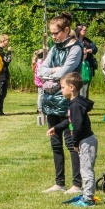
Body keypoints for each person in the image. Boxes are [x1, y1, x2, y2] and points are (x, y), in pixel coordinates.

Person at [38, 11, 83, 194]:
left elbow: (64, 71)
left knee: (71, 143)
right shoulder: (55, 47)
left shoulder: (76, 49)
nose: (54, 37)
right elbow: (41, 70)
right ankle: (59, 182)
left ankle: (77, 184)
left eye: (56, 33)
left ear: (66, 30)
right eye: (52, 33)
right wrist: (54, 71)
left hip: (67, 101)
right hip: (50, 100)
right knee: (55, 142)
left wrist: (55, 71)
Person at [47, 72, 98, 207]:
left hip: (85, 141)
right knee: (84, 169)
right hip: (84, 140)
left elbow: (78, 126)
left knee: (86, 170)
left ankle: (88, 199)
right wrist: (56, 128)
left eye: (62, 87)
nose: (61, 90)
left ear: (72, 87)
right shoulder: (75, 103)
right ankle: (87, 194)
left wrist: (75, 143)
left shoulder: (75, 105)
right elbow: (69, 122)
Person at [75, 24, 98, 98]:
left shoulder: (87, 41)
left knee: (86, 83)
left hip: (88, 64)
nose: (85, 31)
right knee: (78, 84)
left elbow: (95, 49)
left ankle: (85, 101)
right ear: (79, 31)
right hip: (78, 64)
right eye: (84, 30)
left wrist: (88, 50)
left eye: (86, 30)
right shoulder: (75, 40)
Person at [0, 34, 12, 115]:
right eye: (7, 41)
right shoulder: (0, 51)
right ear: (3, 41)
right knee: (1, 91)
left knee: (3, 92)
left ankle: (0, 109)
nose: (8, 43)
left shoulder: (1, 51)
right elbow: (7, 61)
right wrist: (9, 52)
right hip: (1, 74)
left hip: (3, 73)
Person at [32, 49, 44, 113]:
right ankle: (40, 109)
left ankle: (40, 108)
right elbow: (40, 74)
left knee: (41, 95)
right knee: (41, 95)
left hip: (40, 81)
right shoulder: (40, 63)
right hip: (40, 82)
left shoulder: (39, 62)